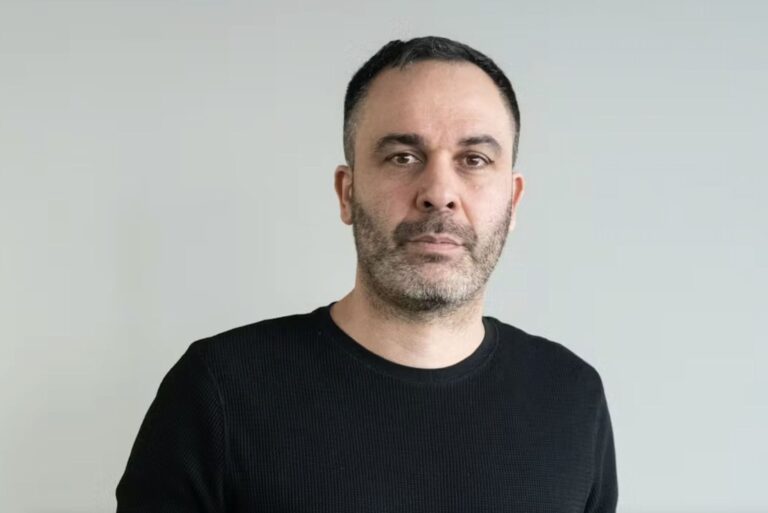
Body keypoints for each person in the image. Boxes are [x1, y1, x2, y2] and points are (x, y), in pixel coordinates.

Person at [116, 35, 618, 512]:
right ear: (347, 192)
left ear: (513, 200)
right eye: (403, 157)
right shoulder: (219, 390)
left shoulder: (571, 397)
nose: (439, 192)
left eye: (474, 159)